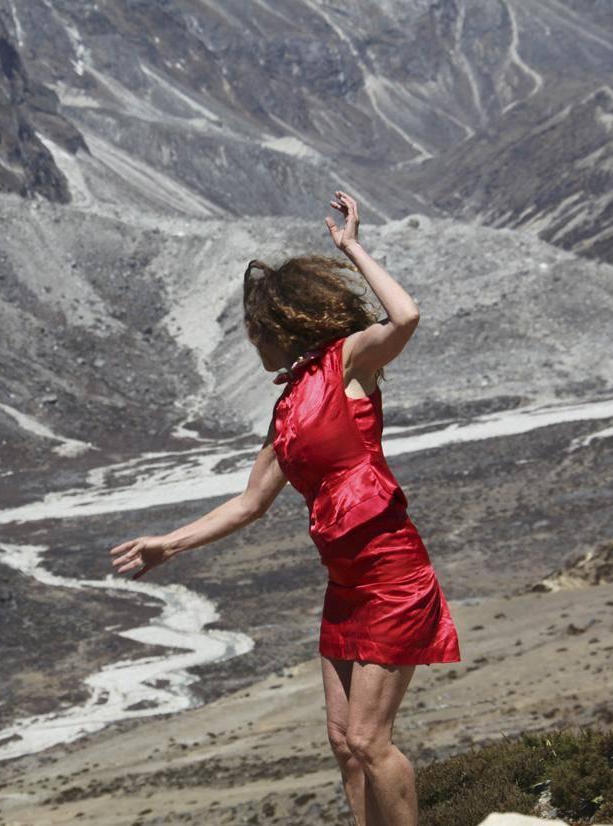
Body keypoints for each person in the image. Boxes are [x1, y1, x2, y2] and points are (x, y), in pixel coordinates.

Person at [109, 190, 460, 826]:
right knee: (342, 743)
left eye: (254, 335)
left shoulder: (350, 364)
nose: (253, 348)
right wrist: (169, 543)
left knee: (369, 741)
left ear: (280, 328)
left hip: (390, 575)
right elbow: (249, 504)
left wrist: (353, 249)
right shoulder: (288, 409)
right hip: (345, 584)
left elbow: (405, 317)